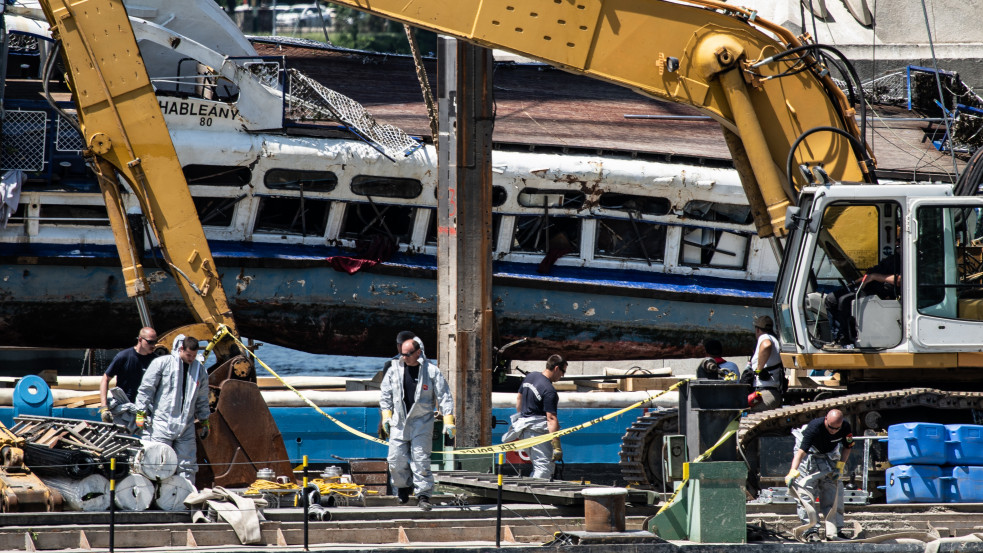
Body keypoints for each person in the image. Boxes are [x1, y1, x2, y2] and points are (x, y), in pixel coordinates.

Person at [379, 337, 454, 511]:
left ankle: (423, 496)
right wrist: (386, 416)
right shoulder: (394, 369)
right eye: (402, 353)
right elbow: (385, 394)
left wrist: (449, 420)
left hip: (422, 422)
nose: (403, 357)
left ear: (418, 352)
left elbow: (444, 396)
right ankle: (403, 487)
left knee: (421, 460)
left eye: (407, 354)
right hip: (399, 422)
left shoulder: (431, 371)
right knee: (395, 460)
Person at [135, 335, 211, 481]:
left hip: (186, 426)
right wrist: (140, 412)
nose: (191, 358)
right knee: (157, 462)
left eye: (194, 356)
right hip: (161, 424)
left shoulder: (199, 370)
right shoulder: (162, 363)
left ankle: (186, 492)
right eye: (188, 355)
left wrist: (204, 420)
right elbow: (146, 389)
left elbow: (202, 398)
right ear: (181, 349)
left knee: (187, 465)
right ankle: (155, 494)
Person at [784, 409, 855, 539]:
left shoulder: (845, 427)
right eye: (831, 427)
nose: (833, 431)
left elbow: (847, 447)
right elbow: (801, 452)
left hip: (829, 453)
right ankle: (810, 531)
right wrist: (792, 471)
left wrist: (840, 467)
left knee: (834, 491)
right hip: (808, 453)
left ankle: (834, 531)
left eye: (837, 429)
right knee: (806, 491)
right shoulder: (814, 427)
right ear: (826, 419)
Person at [502, 354, 566, 480]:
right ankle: (535, 492)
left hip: (523, 429)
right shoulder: (549, 391)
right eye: (563, 372)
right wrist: (557, 446)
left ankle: (531, 489)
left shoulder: (531, 377)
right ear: (556, 368)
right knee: (544, 467)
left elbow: (519, 398)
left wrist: (523, 417)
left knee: (538, 466)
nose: (562, 376)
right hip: (537, 432)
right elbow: (551, 419)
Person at [824, 249, 902, 350]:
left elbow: (899, 280)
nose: (897, 244)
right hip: (866, 287)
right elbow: (869, 275)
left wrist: (874, 277)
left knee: (845, 301)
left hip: (882, 293)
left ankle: (846, 340)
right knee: (831, 299)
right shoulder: (891, 259)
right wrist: (853, 283)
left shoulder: (905, 261)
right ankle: (836, 337)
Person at [98, 327, 158, 423]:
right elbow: (105, 379)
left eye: (155, 342)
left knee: (141, 429)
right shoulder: (124, 356)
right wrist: (104, 408)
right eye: (150, 342)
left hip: (142, 410)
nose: (153, 345)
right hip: (123, 408)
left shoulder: (156, 361)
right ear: (140, 339)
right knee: (122, 432)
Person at [742, 315, 784, 412]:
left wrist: (758, 370)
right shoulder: (775, 339)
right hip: (772, 391)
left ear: (757, 330)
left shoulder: (764, 337)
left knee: (746, 413)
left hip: (765, 393)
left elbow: (766, 345)